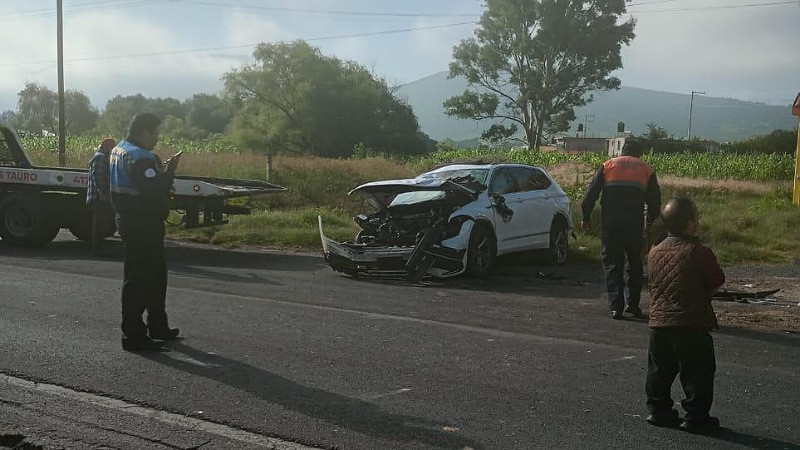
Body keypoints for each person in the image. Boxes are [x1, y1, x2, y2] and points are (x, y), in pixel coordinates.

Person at [644, 196, 724, 433]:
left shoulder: (654, 252)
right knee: (697, 372)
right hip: (691, 322)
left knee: (659, 371)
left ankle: (658, 411)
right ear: (689, 224)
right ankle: (696, 416)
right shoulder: (699, 252)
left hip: (659, 322)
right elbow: (717, 279)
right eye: (696, 217)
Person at [110, 113, 181, 352]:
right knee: (139, 280)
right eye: (155, 134)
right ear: (143, 132)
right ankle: (134, 335)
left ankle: (158, 326)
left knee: (156, 276)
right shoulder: (140, 157)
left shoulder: (120, 149)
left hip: (132, 221)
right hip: (142, 224)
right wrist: (169, 172)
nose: (157, 139)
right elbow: (153, 191)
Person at [580, 140, 661, 319]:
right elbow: (655, 203)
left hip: (611, 223)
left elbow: (590, 195)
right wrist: (650, 224)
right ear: (639, 153)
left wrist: (586, 217)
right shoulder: (646, 169)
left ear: (622, 152)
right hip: (634, 224)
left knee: (612, 263)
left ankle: (616, 306)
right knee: (635, 263)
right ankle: (633, 305)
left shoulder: (608, 165)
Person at [86, 137, 116, 256]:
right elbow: (97, 177)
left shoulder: (103, 157)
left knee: (102, 222)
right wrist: (102, 193)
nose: (113, 148)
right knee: (99, 224)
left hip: (100, 196)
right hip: (98, 197)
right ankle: (97, 250)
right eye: (111, 146)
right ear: (105, 146)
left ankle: (98, 248)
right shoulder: (100, 157)